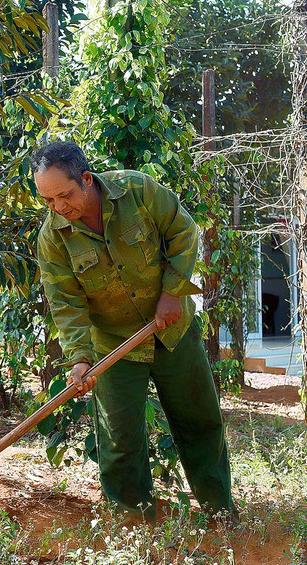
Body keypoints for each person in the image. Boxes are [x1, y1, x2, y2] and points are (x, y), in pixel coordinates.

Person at [33, 140, 236, 522]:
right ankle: (133, 527)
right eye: (48, 200)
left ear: (86, 179)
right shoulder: (52, 238)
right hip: (114, 347)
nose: (58, 207)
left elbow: (183, 231)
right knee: (119, 440)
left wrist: (172, 292)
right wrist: (80, 359)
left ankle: (220, 514)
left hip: (173, 331)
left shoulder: (137, 189)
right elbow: (66, 303)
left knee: (199, 423)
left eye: (64, 195)